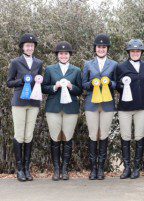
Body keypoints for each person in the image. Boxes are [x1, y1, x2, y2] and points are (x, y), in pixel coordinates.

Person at [42, 41, 82, 181]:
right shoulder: (50, 69)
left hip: (71, 109)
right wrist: (54, 86)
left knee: (67, 138)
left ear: (69, 55)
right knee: (55, 138)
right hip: (53, 108)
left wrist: (71, 87)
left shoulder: (76, 70)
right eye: (61, 53)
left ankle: (65, 169)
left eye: (66, 53)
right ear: (57, 55)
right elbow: (44, 88)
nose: (63, 55)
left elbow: (80, 90)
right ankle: (56, 170)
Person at [7, 33, 43, 182]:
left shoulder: (39, 63)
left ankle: (27, 169)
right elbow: (9, 82)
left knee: (29, 135)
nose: (29, 47)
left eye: (32, 46)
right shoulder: (16, 62)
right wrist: (22, 81)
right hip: (19, 102)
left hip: (33, 102)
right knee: (20, 135)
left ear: (34, 47)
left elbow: (39, 80)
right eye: (27, 45)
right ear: (22, 47)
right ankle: (20, 169)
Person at [82, 34, 118, 180]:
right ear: (95, 48)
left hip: (107, 104)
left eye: (104, 47)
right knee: (92, 135)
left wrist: (109, 83)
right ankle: (93, 169)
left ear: (107, 49)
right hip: (91, 104)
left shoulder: (114, 64)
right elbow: (83, 84)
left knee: (103, 134)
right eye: (99, 47)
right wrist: (92, 84)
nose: (101, 49)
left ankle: (101, 169)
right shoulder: (88, 64)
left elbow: (117, 84)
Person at [115, 39, 144, 179]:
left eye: (137, 51)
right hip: (125, 108)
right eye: (133, 51)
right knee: (126, 136)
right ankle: (127, 167)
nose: (135, 53)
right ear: (129, 52)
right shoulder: (121, 67)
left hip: (141, 107)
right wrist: (122, 86)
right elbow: (116, 85)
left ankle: (136, 168)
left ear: (141, 52)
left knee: (139, 136)